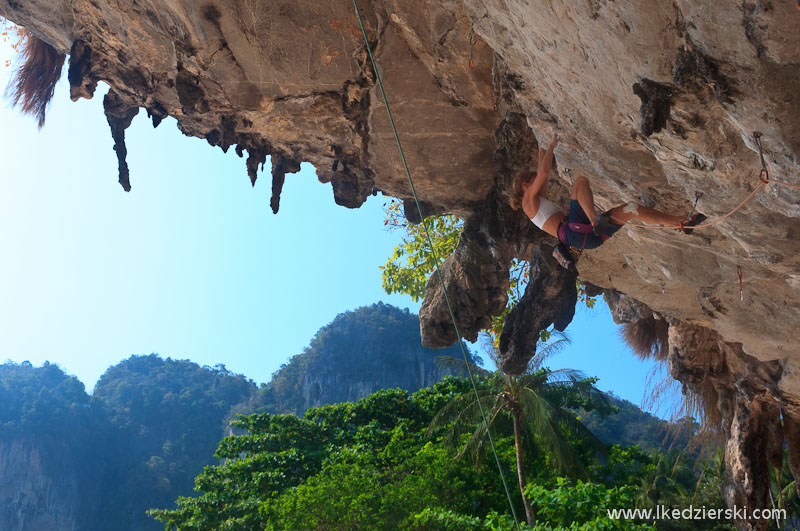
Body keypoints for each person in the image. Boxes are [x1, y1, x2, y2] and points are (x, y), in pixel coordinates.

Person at [510, 133, 705, 253]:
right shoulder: (528, 200)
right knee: (580, 182)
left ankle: (682, 223)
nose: (539, 185)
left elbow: (541, 171)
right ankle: (595, 219)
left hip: (586, 239)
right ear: (526, 185)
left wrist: (541, 149)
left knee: (632, 209)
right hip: (576, 231)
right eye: (533, 182)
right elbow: (543, 174)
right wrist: (552, 145)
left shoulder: (534, 203)